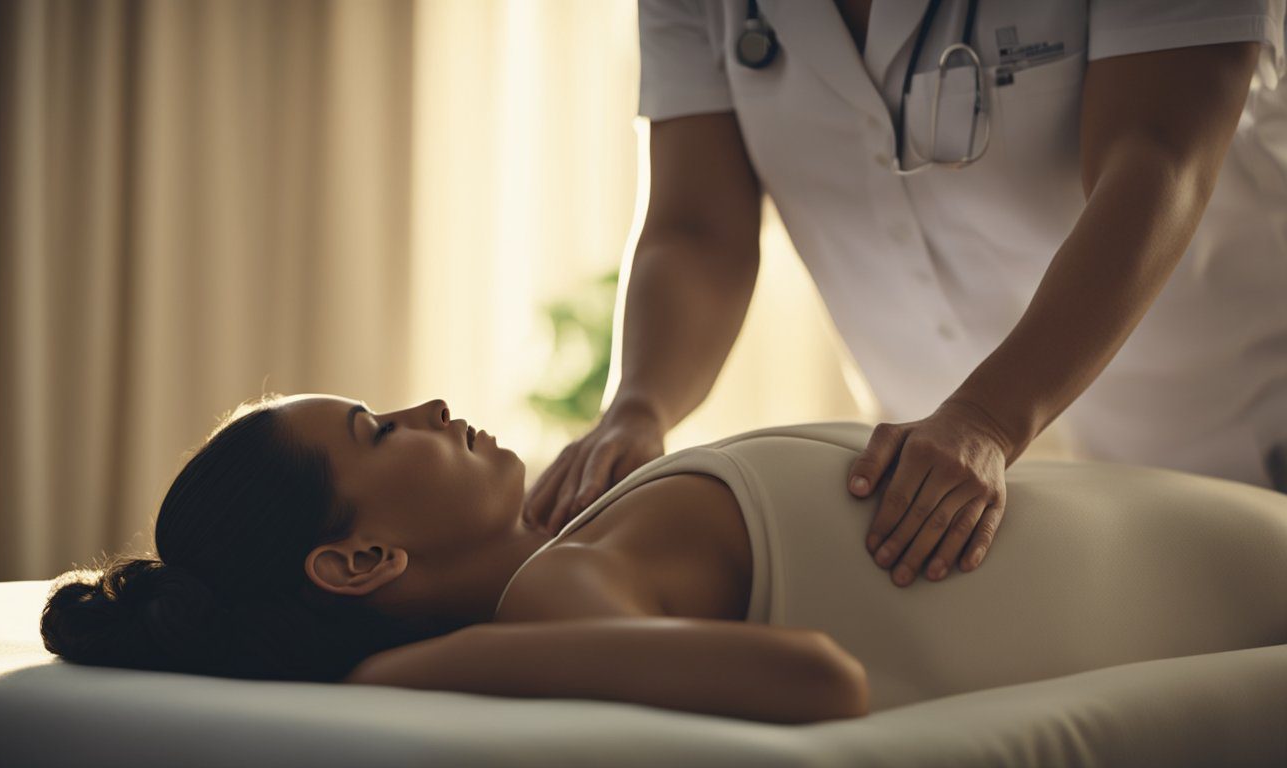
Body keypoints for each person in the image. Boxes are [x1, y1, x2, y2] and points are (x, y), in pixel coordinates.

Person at [522, 0, 1287, 590]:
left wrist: (989, 416)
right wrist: (639, 404)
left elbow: (1156, 156)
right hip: (953, 491)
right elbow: (695, 228)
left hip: (1239, 428)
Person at [42, 395, 1287, 722]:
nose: (424, 406)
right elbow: (821, 681)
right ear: (361, 559)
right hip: (1203, 574)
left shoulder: (573, 543)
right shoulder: (551, 596)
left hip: (1176, 541)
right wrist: (392, 680)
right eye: (375, 429)